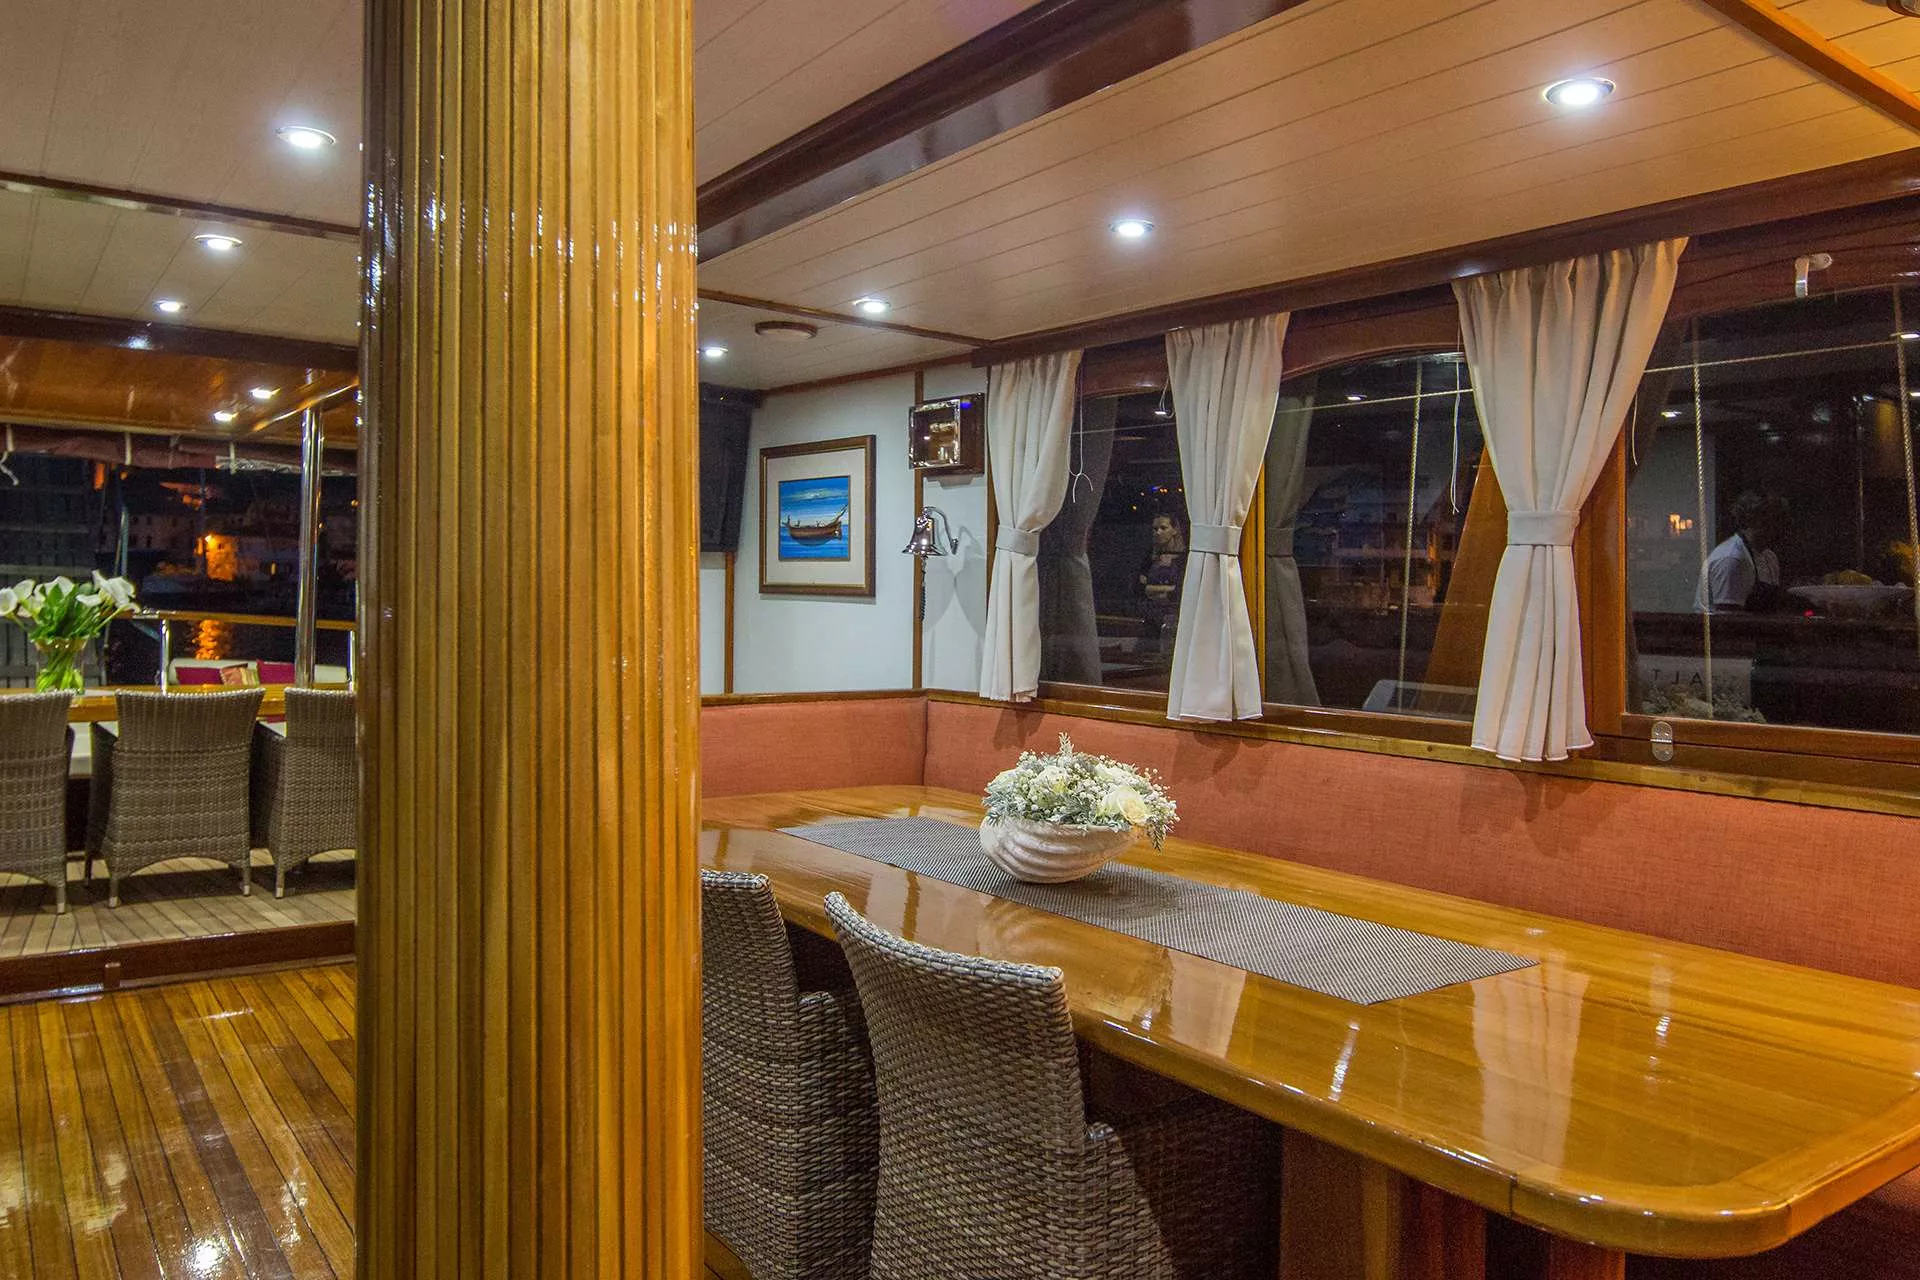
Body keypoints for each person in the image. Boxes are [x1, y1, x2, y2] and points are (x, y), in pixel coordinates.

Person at [1696, 491, 1785, 613]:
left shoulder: (1770, 557)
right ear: (1753, 521)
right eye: (1774, 520)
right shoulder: (1731, 559)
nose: (1780, 527)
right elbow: (1728, 620)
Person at [1138, 512, 1188, 655]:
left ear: (1174, 530)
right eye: (1155, 529)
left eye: (1163, 528)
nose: (1158, 532)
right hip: (1150, 619)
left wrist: (1152, 589)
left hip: (1174, 618)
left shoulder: (1184, 558)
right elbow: (1139, 588)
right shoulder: (1149, 557)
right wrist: (1166, 589)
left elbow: (1179, 589)